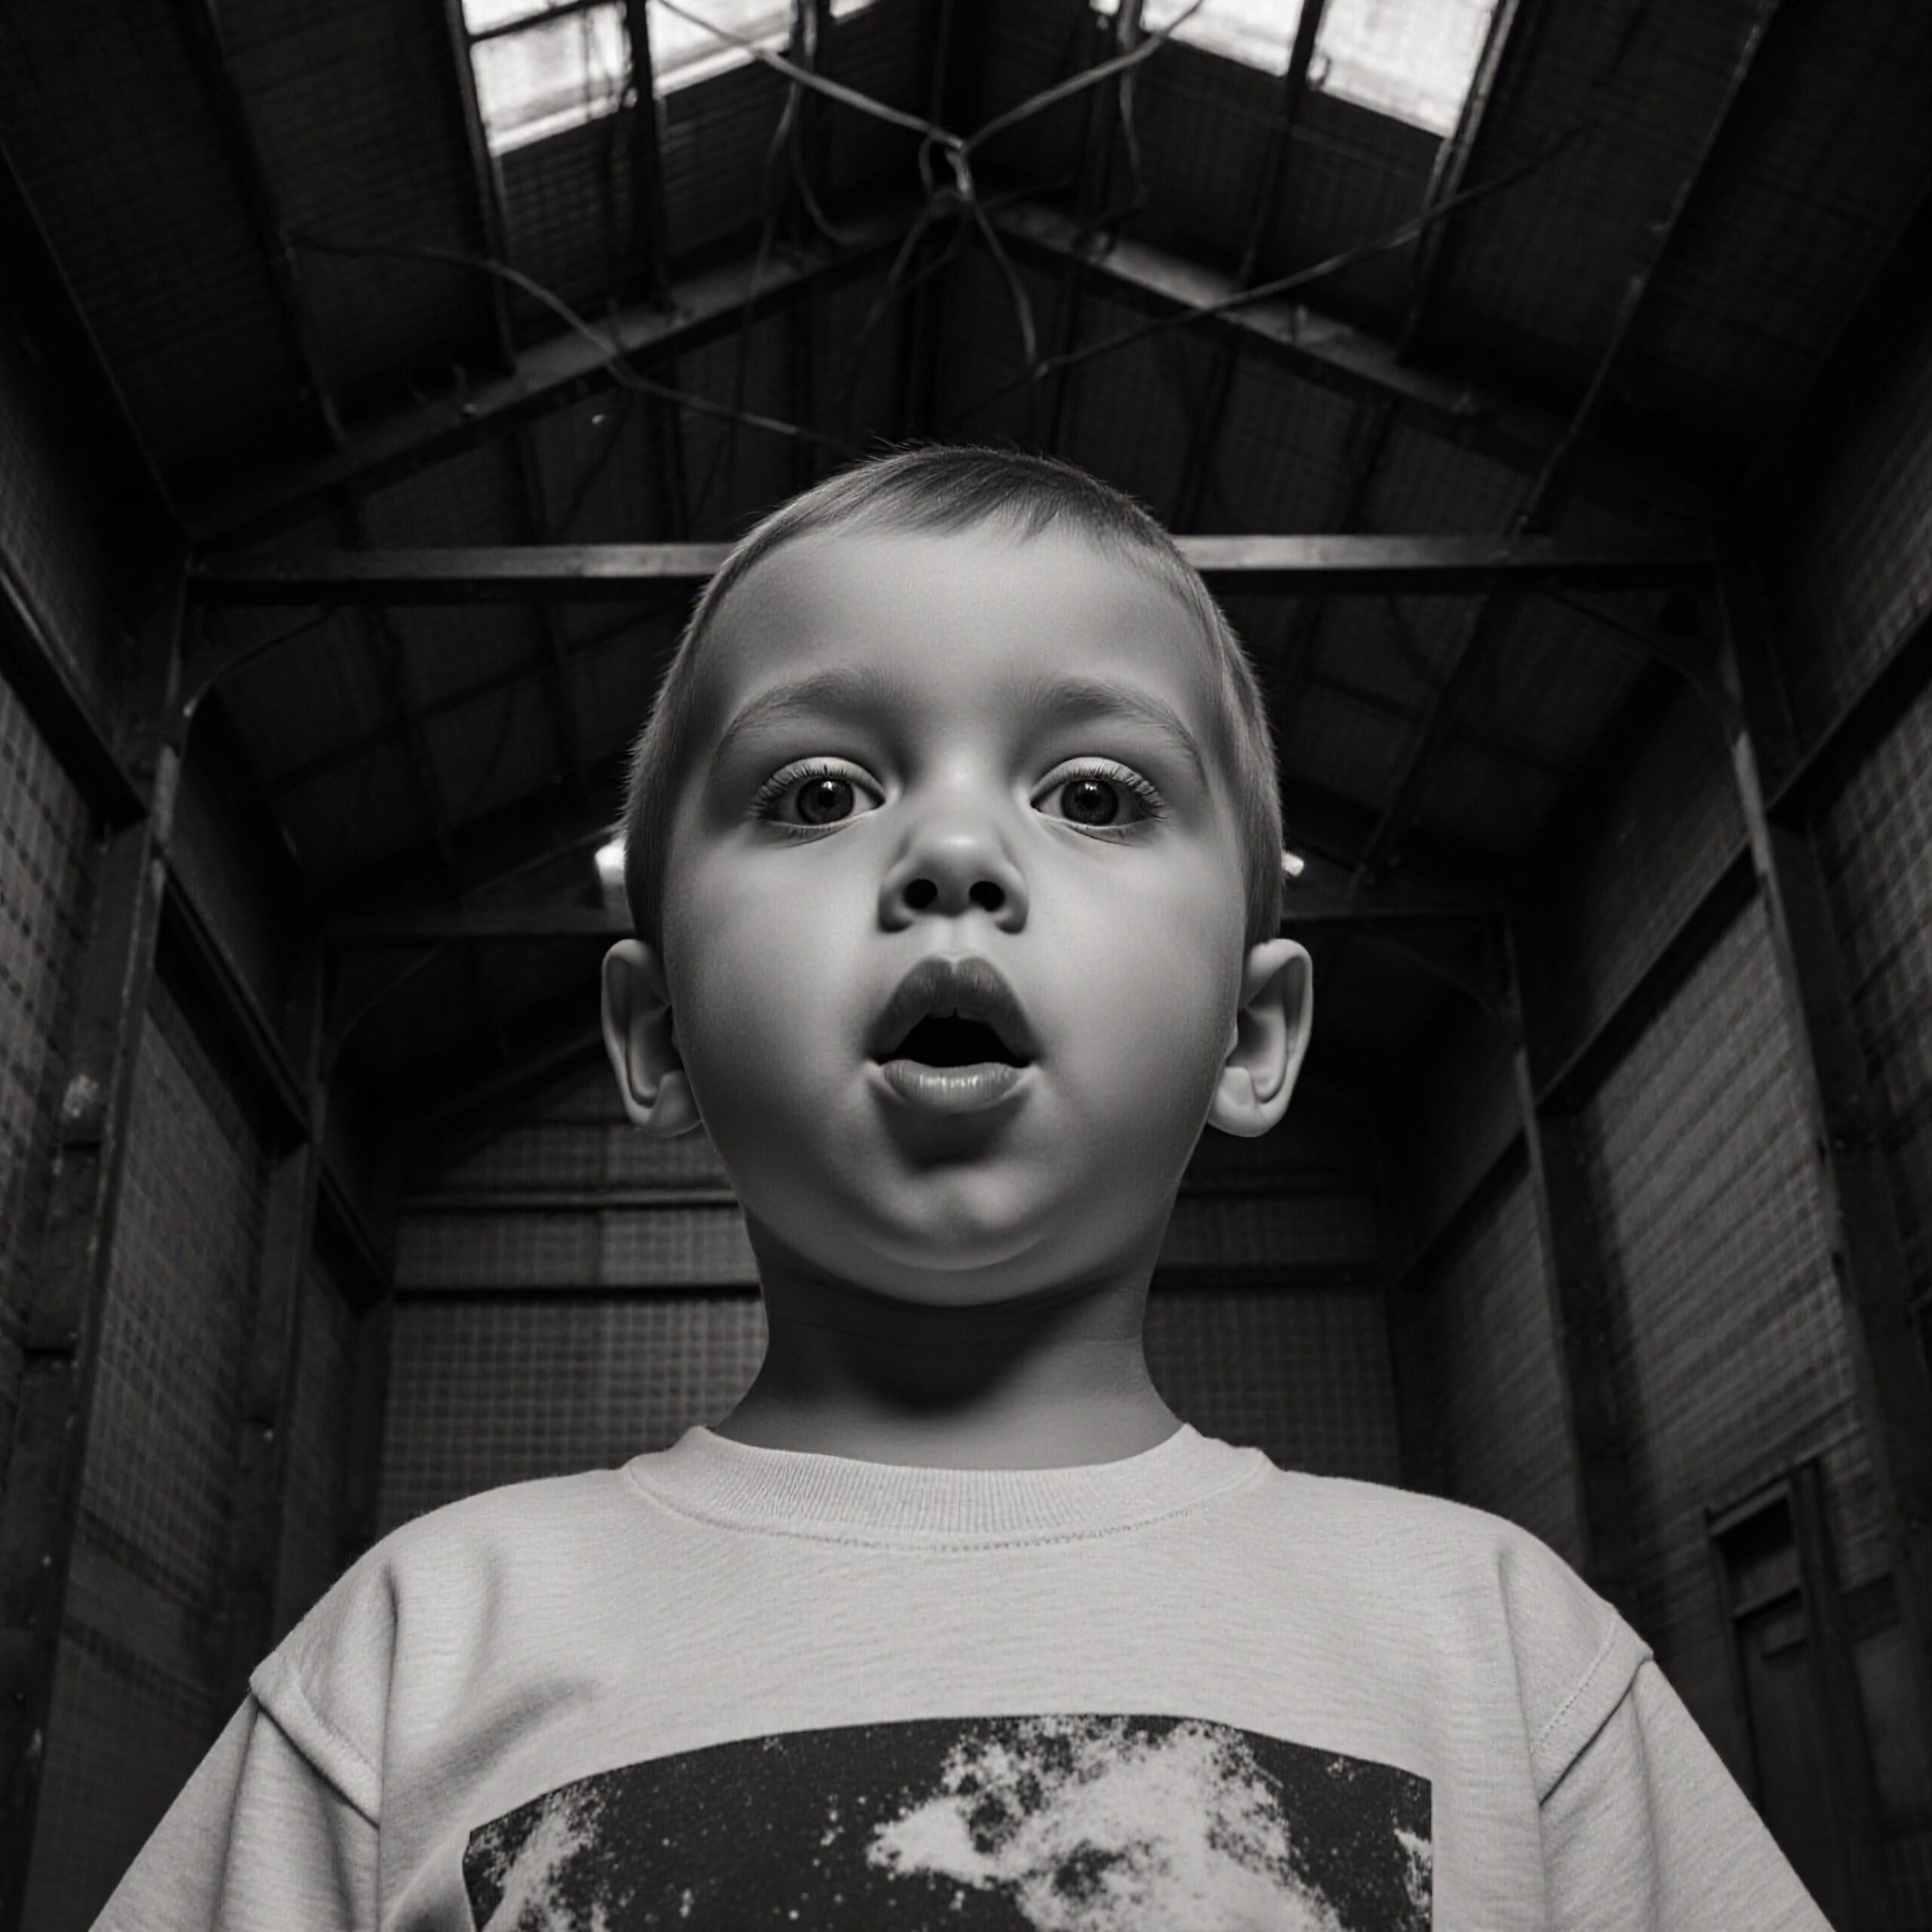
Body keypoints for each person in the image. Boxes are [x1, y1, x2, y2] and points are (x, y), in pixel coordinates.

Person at [94, 446, 1831, 1930]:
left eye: (1093, 791)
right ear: (657, 1032)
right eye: (817, 790)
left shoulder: (1496, 1651)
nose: (948, 852)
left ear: (1249, 1036)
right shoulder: (420, 1653)